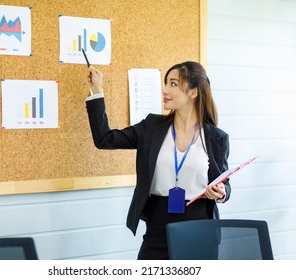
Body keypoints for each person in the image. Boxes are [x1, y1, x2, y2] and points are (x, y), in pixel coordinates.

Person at [85, 61, 231, 260]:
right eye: (166, 83)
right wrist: (97, 90)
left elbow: (224, 183)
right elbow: (105, 139)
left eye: (173, 84)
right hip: (158, 221)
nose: (165, 89)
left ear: (193, 92)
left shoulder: (216, 138)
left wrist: (221, 193)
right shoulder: (152, 127)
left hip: (200, 223)